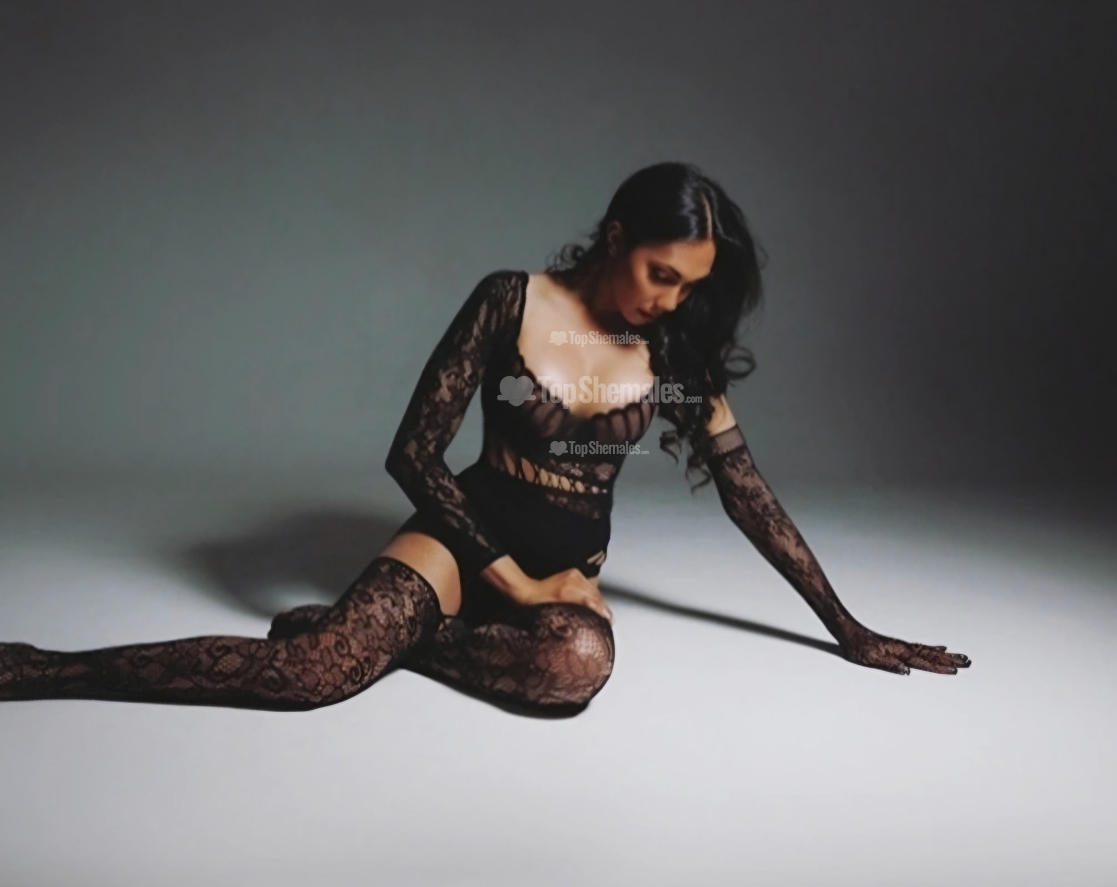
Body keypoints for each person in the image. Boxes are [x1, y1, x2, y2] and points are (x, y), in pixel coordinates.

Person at [0, 162, 970, 715]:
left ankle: (406, 645)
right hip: (461, 532)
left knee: (575, 667)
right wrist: (516, 582)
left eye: (690, 285)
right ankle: (48, 664)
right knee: (310, 676)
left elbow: (746, 493)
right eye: (661, 273)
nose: (672, 300)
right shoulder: (511, 300)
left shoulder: (673, 349)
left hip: (567, 560)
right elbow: (413, 454)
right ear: (616, 235)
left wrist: (849, 628)